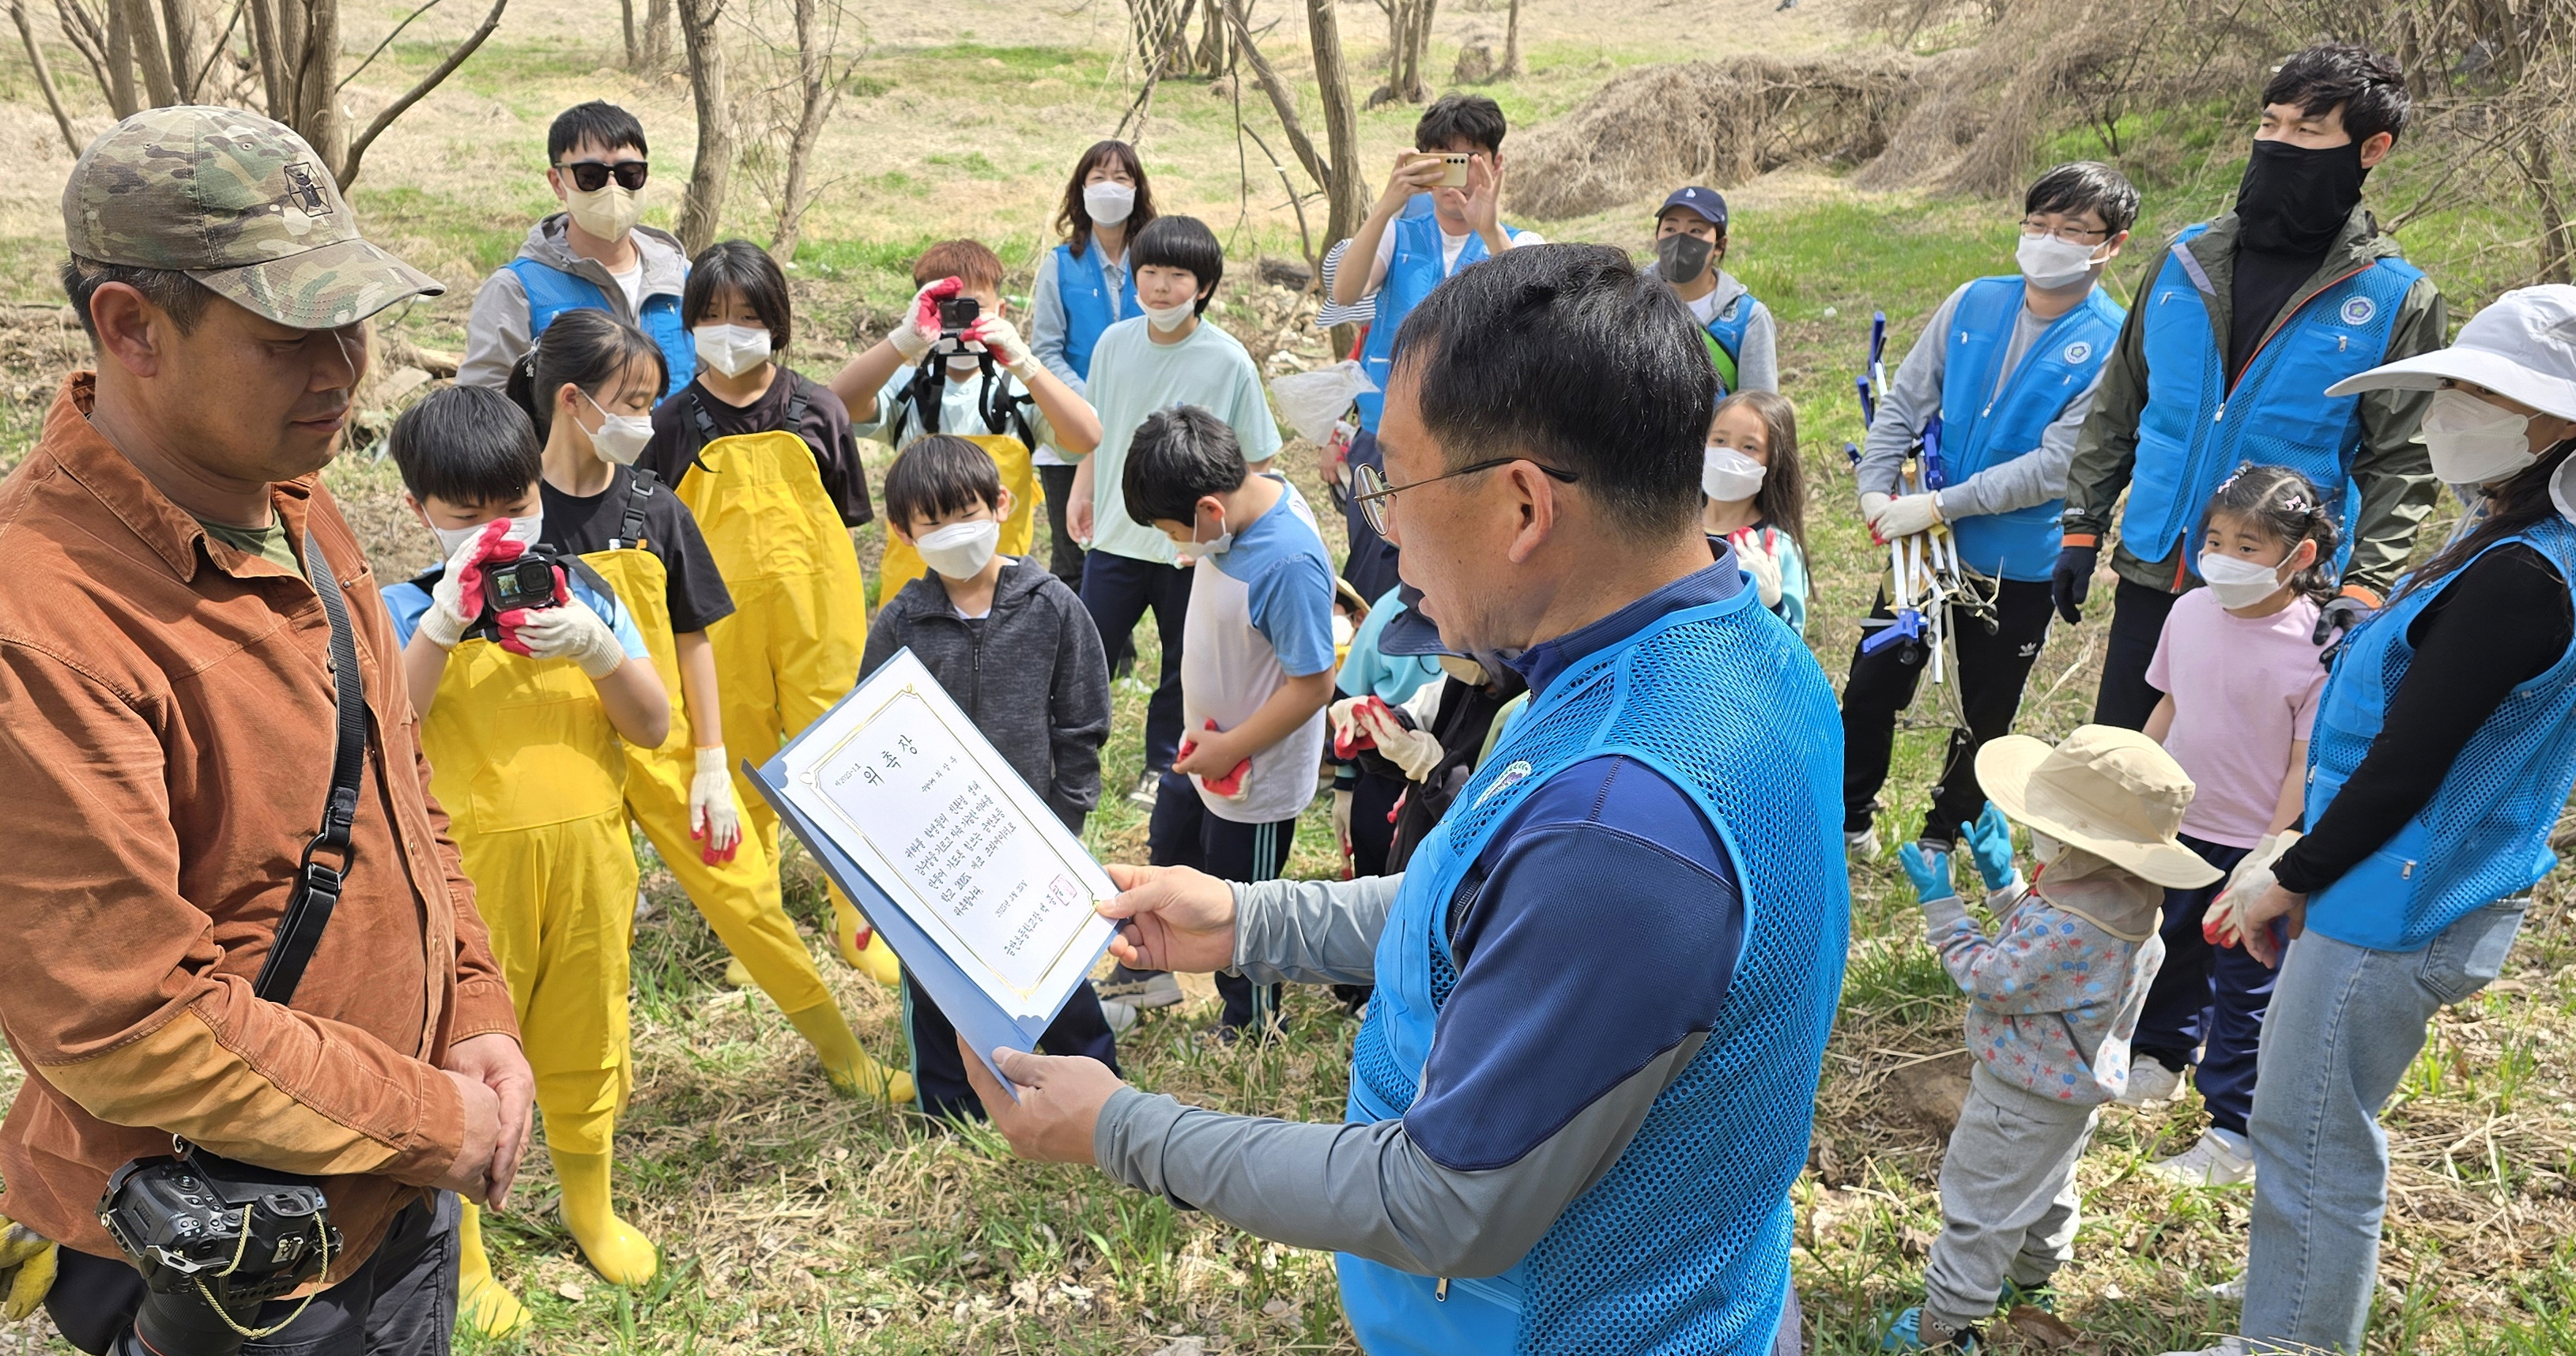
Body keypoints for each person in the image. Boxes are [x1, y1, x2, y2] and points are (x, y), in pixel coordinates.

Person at [959, 244, 1846, 1356]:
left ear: (1522, 504)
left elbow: (1443, 1200)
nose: (1379, 533)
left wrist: (1123, 1127)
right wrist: (1242, 919)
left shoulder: (1621, 822)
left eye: (1393, 484)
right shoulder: (1729, 652)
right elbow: (1490, 903)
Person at [1, 106, 532, 1356]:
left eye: (348, 318)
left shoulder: (293, 506)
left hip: (396, 1187)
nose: (342, 367)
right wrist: (435, 1118)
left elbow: (400, 786)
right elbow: (132, 1027)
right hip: (237, 1255)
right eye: (289, 331)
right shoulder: (45, 623)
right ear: (130, 326)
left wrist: (475, 1011)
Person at [2168, 286, 2576, 1356]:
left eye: (2477, 393)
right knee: (2310, 1125)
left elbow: (2409, 763)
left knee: (2307, 1139)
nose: (2448, 410)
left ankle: (2289, 1341)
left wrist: (2290, 869)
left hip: (2395, 897)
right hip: (2401, 881)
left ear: (2557, 423)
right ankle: (2293, 1294)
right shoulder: (2513, 533)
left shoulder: (2525, 577)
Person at [517, 309, 911, 1110]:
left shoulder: (654, 506)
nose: (641, 420)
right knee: (588, 933)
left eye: (648, 401)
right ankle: (596, 1088)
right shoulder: (512, 513)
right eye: (627, 401)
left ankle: (842, 1054)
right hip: (558, 753)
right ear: (570, 401)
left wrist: (710, 765)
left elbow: (694, 637)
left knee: (745, 900)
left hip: (668, 743)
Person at [383, 386, 671, 1308]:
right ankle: (462, 1253)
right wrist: (441, 625)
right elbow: (383, 730)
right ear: (417, 510)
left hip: (589, 872)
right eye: (466, 518)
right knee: (465, 1052)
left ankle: (590, 1206)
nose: (497, 533)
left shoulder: (588, 592)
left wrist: (597, 649)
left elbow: (654, 726)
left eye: (515, 509)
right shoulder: (397, 611)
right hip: (464, 887)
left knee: (588, 1042)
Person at [2058, 45, 2445, 731]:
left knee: (2234, 786)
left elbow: (2402, 461)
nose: (2277, 143)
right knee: (2120, 764)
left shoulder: (2394, 299)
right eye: (2269, 124)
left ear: (2370, 147)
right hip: (2156, 567)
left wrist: (2365, 584)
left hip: (2279, 590)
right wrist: (2081, 527)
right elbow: (2120, 403)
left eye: (2306, 131)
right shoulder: (2182, 261)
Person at [1881, 729, 2221, 1352]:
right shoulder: (2122, 901)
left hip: (2020, 1095)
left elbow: (1994, 978)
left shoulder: (2070, 923)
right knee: (2046, 1187)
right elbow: (2051, 961)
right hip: (2071, 1090)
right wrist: (2003, 881)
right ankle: (2034, 1280)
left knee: (1980, 1203)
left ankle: (1945, 1326)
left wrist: (1942, 906)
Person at [1843, 161, 2138, 857]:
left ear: (2111, 244)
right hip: (1923, 558)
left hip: (2017, 563)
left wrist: (1938, 503)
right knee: (1871, 682)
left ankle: (1944, 834)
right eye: (2036, 225)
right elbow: (1907, 399)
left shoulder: (2112, 343)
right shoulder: (1973, 301)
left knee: (1984, 708)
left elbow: (2054, 466)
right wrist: (1874, 488)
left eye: (2070, 231)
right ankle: (1848, 815)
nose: (2047, 241)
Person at [639, 240, 901, 987]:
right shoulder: (670, 425)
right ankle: (758, 931)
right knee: (740, 768)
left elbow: (848, 512)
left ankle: (859, 918)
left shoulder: (819, 408)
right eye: (712, 315)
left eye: (747, 315)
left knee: (839, 762)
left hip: (819, 617)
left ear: (777, 323)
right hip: (718, 628)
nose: (729, 330)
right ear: (689, 325)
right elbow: (653, 538)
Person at [863, 434, 1124, 1109]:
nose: (954, 533)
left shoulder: (1052, 607)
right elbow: (872, 731)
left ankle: (1094, 1086)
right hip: (938, 844)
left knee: (1050, 964)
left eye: (967, 512)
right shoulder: (901, 624)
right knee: (937, 976)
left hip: (1036, 832)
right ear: (904, 532)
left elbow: (1082, 719)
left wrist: (1064, 817)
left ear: (1001, 503)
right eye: (933, 523)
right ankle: (950, 1106)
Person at [2123, 465, 2335, 1189]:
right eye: (2214, 540)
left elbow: (2303, 762)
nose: (2223, 558)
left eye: (2248, 546)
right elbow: (2169, 707)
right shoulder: (2186, 614)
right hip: (2180, 824)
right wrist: (2135, 785)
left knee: (2245, 983)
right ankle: (2158, 1055)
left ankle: (2234, 1127)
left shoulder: (2313, 646)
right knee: (2169, 945)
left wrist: (2271, 856)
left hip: (2251, 842)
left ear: (2297, 556)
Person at [1065, 213, 1281, 858]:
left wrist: (1214, 536)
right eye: (1149, 273)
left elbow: (1258, 460)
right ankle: (1069, 759)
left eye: (1176, 276)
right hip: (1115, 536)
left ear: (1204, 285)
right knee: (1084, 651)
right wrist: (1083, 490)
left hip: (1189, 548)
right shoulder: (1112, 344)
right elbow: (1095, 431)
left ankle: (1163, 766)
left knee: (1182, 667)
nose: (1160, 288)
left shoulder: (1228, 360)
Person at [1125, 405, 1337, 1039]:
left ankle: (1252, 1020)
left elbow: (1314, 685)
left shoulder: (1286, 564)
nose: (1177, 544)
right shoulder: (1242, 513)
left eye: (1174, 533)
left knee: (1245, 903)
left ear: (1210, 511)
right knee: (1175, 854)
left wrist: (1231, 750)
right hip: (1207, 752)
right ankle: (1158, 970)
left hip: (1254, 775)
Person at [1319, 94, 1546, 605]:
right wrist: (1385, 206)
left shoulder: (1517, 243)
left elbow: (1531, 315)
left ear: (1497, 163)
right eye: (1443, 159)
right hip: (1383, 441)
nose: (1457, 178)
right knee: (1372, 573)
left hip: (1468, 451)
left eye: (1470, 160)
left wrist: (1488, 228)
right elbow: (1344, 292)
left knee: (1452, 582)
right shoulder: (1397, 235)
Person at [832, 238, 1102, 599]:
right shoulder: (904, 388)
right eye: (945, 308)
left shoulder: (1022, 393)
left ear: (1001, 312)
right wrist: (904, 341)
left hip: (1004, 594)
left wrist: (1024, 362)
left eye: (974, 308)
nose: (959, 322)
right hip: (914, 593)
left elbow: (1086, 437)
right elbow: (836, 405)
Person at [459, 100, 694, 395]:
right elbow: (482, 410)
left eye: (628, 174)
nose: (612, 187)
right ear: (558, 182)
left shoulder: (681, 278)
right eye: (591, 176)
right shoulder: (517, 291)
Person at [1030, 139, 1156, 593]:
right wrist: (1088, 401)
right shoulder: (1061, 264)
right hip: (1071, 426)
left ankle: (1121, 654)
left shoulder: (1158, 264)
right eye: (1098, 178)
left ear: (1137, 189)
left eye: (1121, 178)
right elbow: (1044, 350)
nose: (1110, 187)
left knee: (1139, 547)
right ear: (1080, 190)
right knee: (1073, 549)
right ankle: (1081, 657)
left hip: (1148, 425)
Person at [1647, 186, 1778, 397]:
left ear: (1720, 245)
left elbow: (1759, 411)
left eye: (1696, 231)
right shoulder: (1630, 300)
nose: (1680, 240)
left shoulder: (1749, 318)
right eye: (1670, 229)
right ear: (1657, 237)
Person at [1702, 390, 1810, 634]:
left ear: (1772, 462)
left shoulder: (1775, 547)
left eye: (1749, 447)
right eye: (1720, 441)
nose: (1730, 455)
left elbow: (1793, 649)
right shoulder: (1675, 527)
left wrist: (1774, 606)